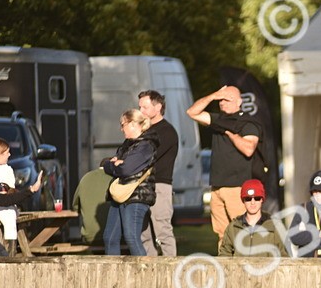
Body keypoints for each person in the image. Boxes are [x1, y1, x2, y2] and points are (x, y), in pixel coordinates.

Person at [185, 85, 261, 248]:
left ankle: (244, 268)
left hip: (236, 186)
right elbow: (192, 112)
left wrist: (229, 133)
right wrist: (213, 95)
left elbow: (248, 149)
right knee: (222, 233)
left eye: (227, 99)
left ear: (239, 102)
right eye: (220, 100)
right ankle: (224, 267)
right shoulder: (218, 120)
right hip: (217, 186)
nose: (222, 103)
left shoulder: (247, 123)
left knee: (240, 232)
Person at [101, 109, 158, 256]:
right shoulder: (127, 145)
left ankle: (145, 273)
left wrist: (117, 164)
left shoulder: (146, 146)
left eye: (123, 124)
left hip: (137, 197)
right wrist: (113, 164)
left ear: (133, 124)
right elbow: (106, 164)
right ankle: (113, 275)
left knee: (131, 237)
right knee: (109, 238)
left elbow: (125, 169)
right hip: (120, 196)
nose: (121, 129)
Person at [0, 137, 40, 251]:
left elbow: (10, 191)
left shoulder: (7, 169)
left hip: (5, 202)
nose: (9, 155)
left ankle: (10, 250)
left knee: (9, 216)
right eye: (7, 153)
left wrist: (6, 189)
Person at [138, 90, 179, 256]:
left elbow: (147, 157)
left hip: (159, 186)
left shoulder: (167, 132)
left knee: (163, 231)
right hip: (142, 185)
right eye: (140, 107)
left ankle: (172, 270)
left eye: (145, 107)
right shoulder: (144, 131)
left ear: (158, 107)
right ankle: (150, 270)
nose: (141, 111)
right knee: (144, 233)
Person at [220, 179, 281, 257]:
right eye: (248, 199)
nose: (253, 202)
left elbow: (284, 259)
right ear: (243, 201)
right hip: (239, 269)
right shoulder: (233, 227)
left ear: (262, 199)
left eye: (257, 198)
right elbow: (224, 257)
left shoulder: (274, 226)